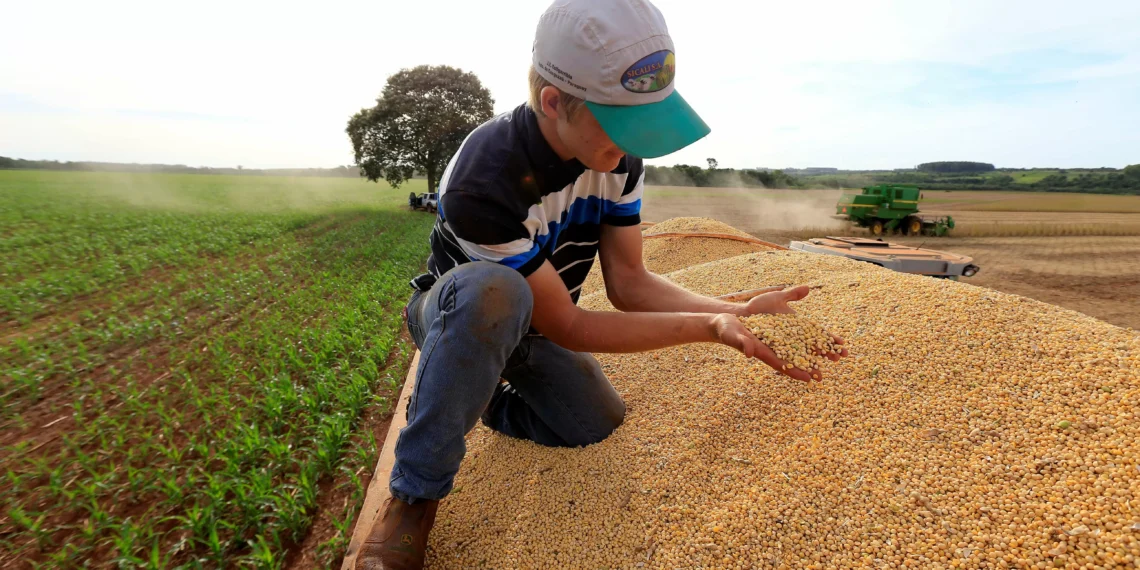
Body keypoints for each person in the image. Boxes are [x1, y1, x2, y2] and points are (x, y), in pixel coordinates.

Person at [356, 0, 847, 567]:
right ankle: (414, 494)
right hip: (457, 312)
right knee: (496, 294)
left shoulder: (619, 163)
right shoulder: (483, 180)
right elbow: (571, 323)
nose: (630, 144)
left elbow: (631, 283)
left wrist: (737, 309)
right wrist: (709, 328)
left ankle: (479, 397)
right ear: (553, 102)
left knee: (592, 422)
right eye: (620, 124)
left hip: (538, 318)